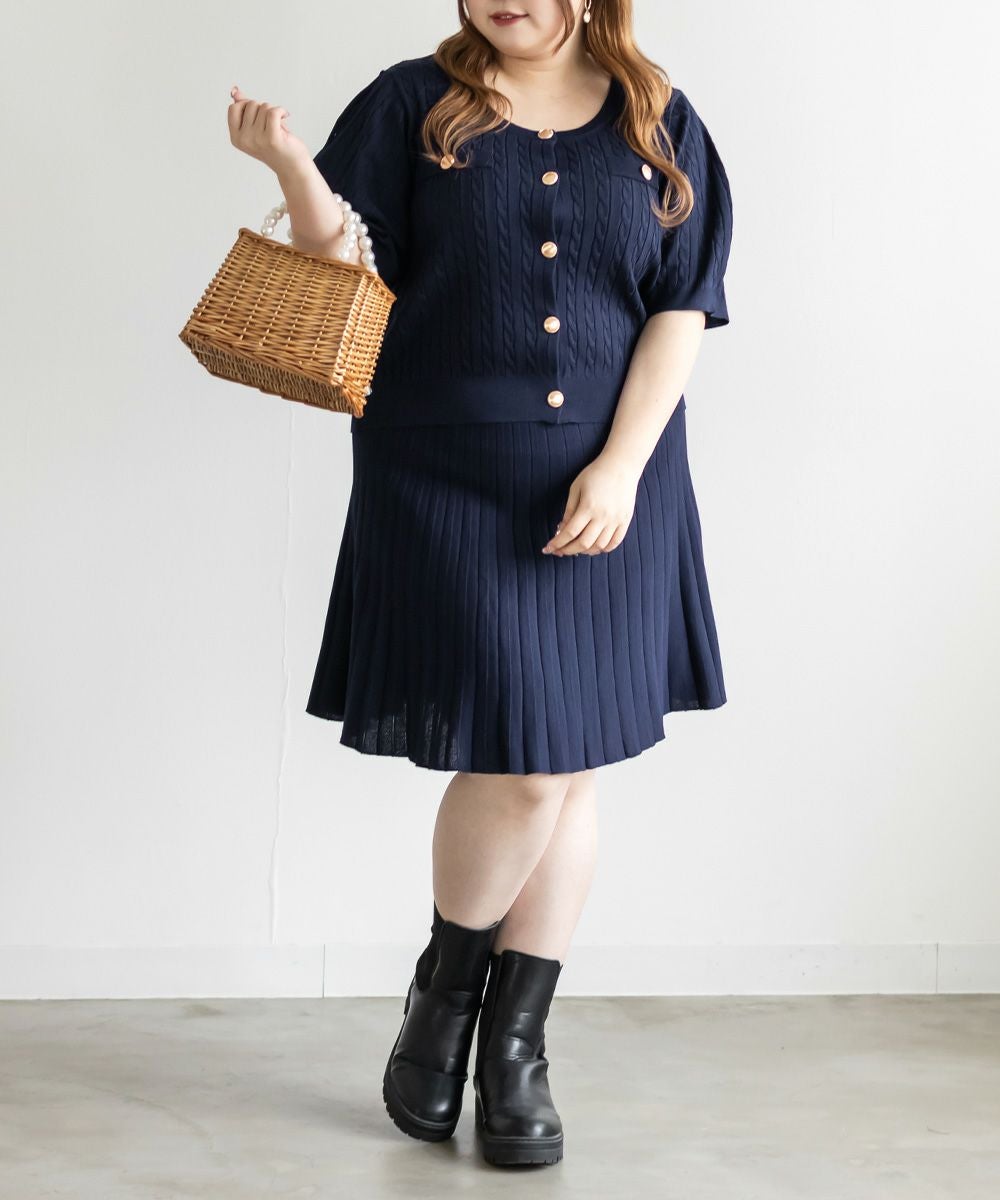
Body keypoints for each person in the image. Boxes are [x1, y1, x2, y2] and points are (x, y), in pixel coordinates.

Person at [228, 0, 733, 1170]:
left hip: (612, 480)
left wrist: (621, 466)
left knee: (569, 764)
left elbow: (681, 304)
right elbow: (343, 265)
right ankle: (447, 997)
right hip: (444, 472)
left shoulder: (660, 117)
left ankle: (511, 1048)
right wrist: (292, 166)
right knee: (524, 766)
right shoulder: (413, 102)